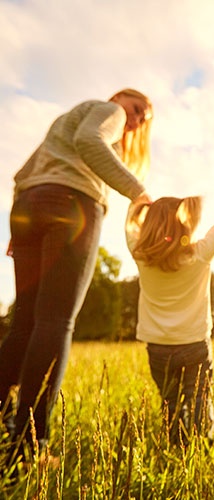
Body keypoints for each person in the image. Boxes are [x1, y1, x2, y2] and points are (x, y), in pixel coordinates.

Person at [0, 88, 154, 468]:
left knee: (25, 324)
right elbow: (90, 140)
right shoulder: (107, 112)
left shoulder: (66, 120)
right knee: (55, 321)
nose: (133, 121)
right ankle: (28, 446)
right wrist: (139, 193)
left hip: (29, 205)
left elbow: (23, 172)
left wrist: (20, 224)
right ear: (120, 97)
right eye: (136, 109)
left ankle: (5, 422)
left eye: (141, 120)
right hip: (72, 205)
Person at [126, 195, 214, 444]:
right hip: (194, 345)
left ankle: (176, 446)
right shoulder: (200, 253)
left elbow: (130, 222)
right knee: (199, 400)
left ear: (148, 225)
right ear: (184, 225)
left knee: (170, 402)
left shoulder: (139, 254)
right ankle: (201, 449)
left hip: (158, 348)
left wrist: (139, 203)